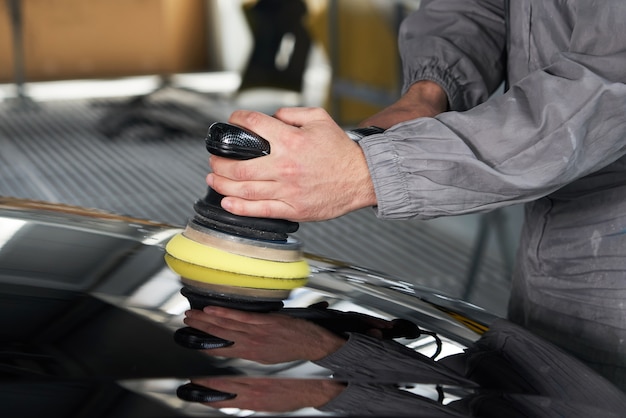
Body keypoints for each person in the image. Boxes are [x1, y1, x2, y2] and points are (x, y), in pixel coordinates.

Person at [204, 0, 626, 388]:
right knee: (535, 392)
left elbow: (614, 82)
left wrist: (370, 171)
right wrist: (426, 95)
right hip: (554, 244)